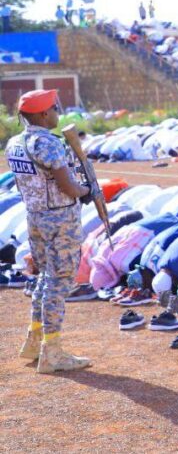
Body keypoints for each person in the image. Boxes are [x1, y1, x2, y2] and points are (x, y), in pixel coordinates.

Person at [4, 89, 92, 373]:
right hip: (59, 219)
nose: (57, 113)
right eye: (54, 108)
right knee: (59, 281)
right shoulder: (47, 143)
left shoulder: (15, 143)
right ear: (43, 113)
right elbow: (68, 186)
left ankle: (35, 338)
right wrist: (85, 190)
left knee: (45, 277)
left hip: (35, 217)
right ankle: (51, 352)